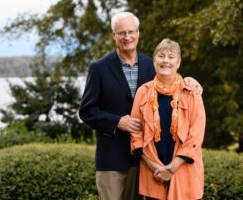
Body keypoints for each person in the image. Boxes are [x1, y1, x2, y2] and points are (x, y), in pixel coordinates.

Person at [79, 12, 202, 200]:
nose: (127, 37)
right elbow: (87, 111)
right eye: (121, 33)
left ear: (138, 33)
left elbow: (170, 79)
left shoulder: (151, 64)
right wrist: (117, 121)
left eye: (131, 31)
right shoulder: (99, 68)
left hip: (146, 162)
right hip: (113, 159)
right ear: (114, 35)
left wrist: (190, 80)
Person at [130, 38, 205, 200]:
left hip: (184, 172)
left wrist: (171, 169)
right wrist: (156, 167)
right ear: (154, 60)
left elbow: (195, 136)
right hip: (153, 174)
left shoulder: (191, 92)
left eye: (171, 57)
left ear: (178, 63)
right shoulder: (143, 92)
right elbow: (135, 134)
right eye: (161, 56)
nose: (165, 61)